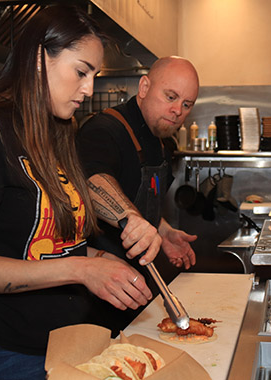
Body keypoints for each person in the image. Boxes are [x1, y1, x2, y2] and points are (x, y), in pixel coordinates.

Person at [0, 6, 156, 380]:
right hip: (0, 348)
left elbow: (53, 241)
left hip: (67, 341)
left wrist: (102, 261)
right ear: (38, 58)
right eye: (81, 72)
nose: (89, 89)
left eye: (94, 76)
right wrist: (83, 270)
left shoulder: (59, 132)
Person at [76, 56, 200, 333]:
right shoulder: (103, 130)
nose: (177, 110)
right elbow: (92, 180)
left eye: (186, 104)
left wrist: (163, 230)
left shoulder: (162, 142)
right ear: (144, 87)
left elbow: (142, 198)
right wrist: (132, 218)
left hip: (137, 286)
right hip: (95, 295)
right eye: (170, 96)